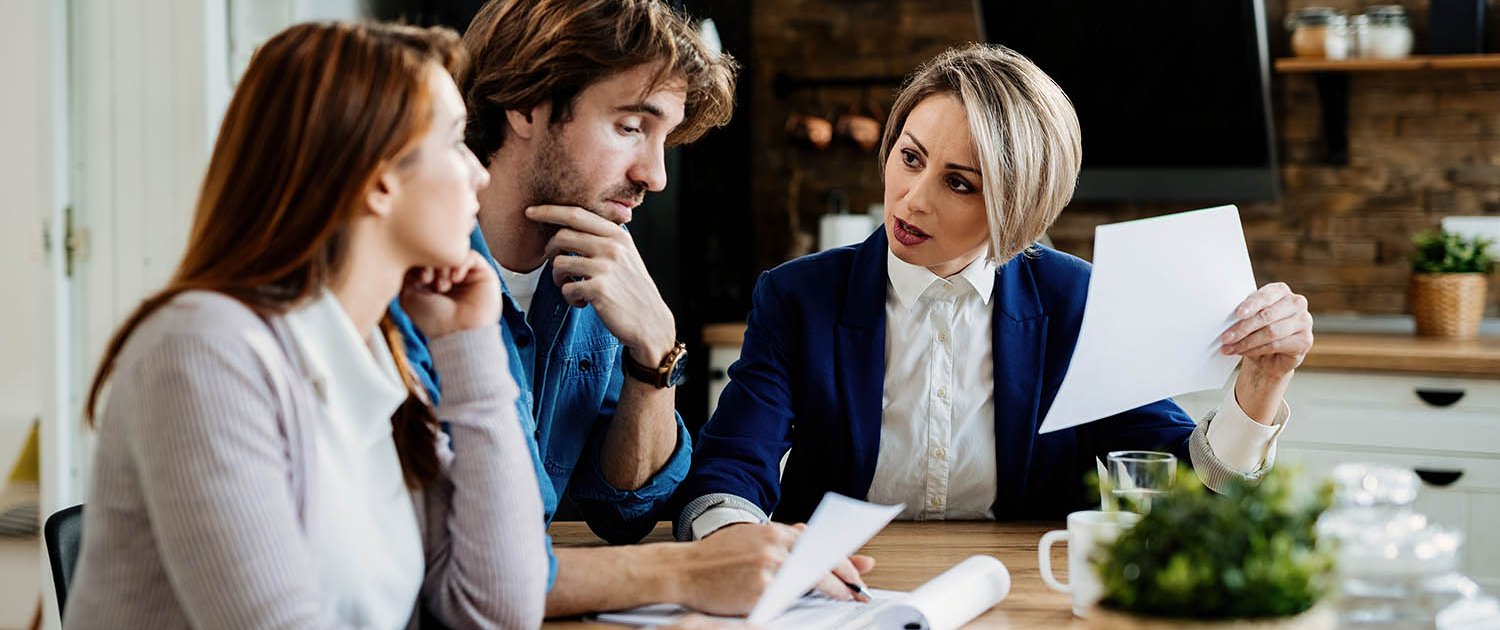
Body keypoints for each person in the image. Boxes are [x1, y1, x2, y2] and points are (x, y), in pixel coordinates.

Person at [675, 44, 1313, 544]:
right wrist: (741, 545)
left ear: (1020, 207)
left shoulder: (1076, 301)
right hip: (836, 594)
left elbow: (1184, 479)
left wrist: (1260, 388)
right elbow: (728, 470)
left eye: (959, 184)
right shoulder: (797, 296)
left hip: (1021, 591)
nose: (913, 198)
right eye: (910, 156)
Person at [62, 21, 550, 629]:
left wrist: (470, 347)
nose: (478, 173)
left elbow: (499, 611)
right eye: (455, 143)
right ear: (378, 181)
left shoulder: (375, 353)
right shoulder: (204, 352)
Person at [388, 0, 829, 618]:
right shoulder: (403, 285)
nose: (655, 174)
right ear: (525, 104)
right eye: (630, 126)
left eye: (665, 139)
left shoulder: (596, 273)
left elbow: (623, 509)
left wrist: (656, 353)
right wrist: (690, 569)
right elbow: (458, 569)